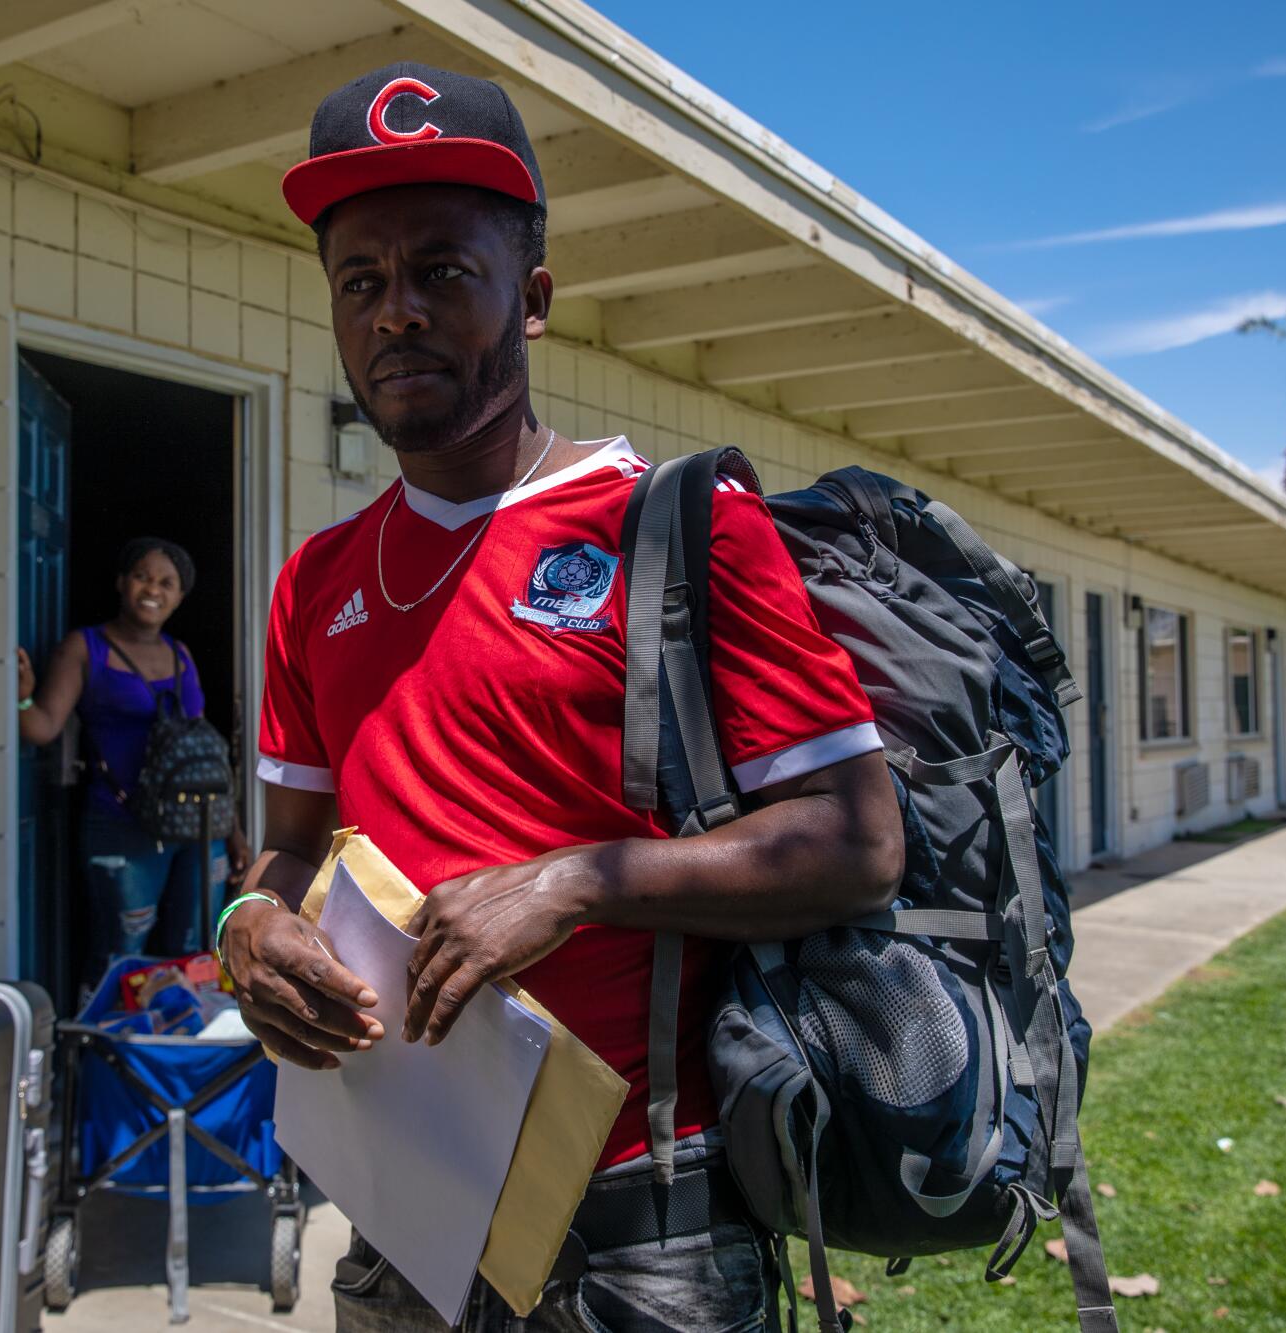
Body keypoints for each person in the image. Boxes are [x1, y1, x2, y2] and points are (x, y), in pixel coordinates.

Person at [219, 64, 906, 1332]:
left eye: (442, 271)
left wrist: (577, 879)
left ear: (530, 300)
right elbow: (286, 850)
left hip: (639, 1232)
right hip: (400, 1215)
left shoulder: (679, 526)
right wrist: (244, 926)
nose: (397, 313)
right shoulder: (315, 582)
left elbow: (858, 844)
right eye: (360, 282)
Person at [17, 537, 250, 983]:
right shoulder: (86, 649)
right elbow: (44, 726)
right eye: (143, 576)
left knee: (196, 952)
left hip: (199, 832)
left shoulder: (181, 655)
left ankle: (174, 1050)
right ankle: (106, 1051)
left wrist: (232, 831)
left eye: (167, 582)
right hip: (124, 828)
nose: (153, 589)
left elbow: (202, 755)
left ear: (180, 596)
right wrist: (23, 699)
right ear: (122, 582)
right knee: (122, 954)